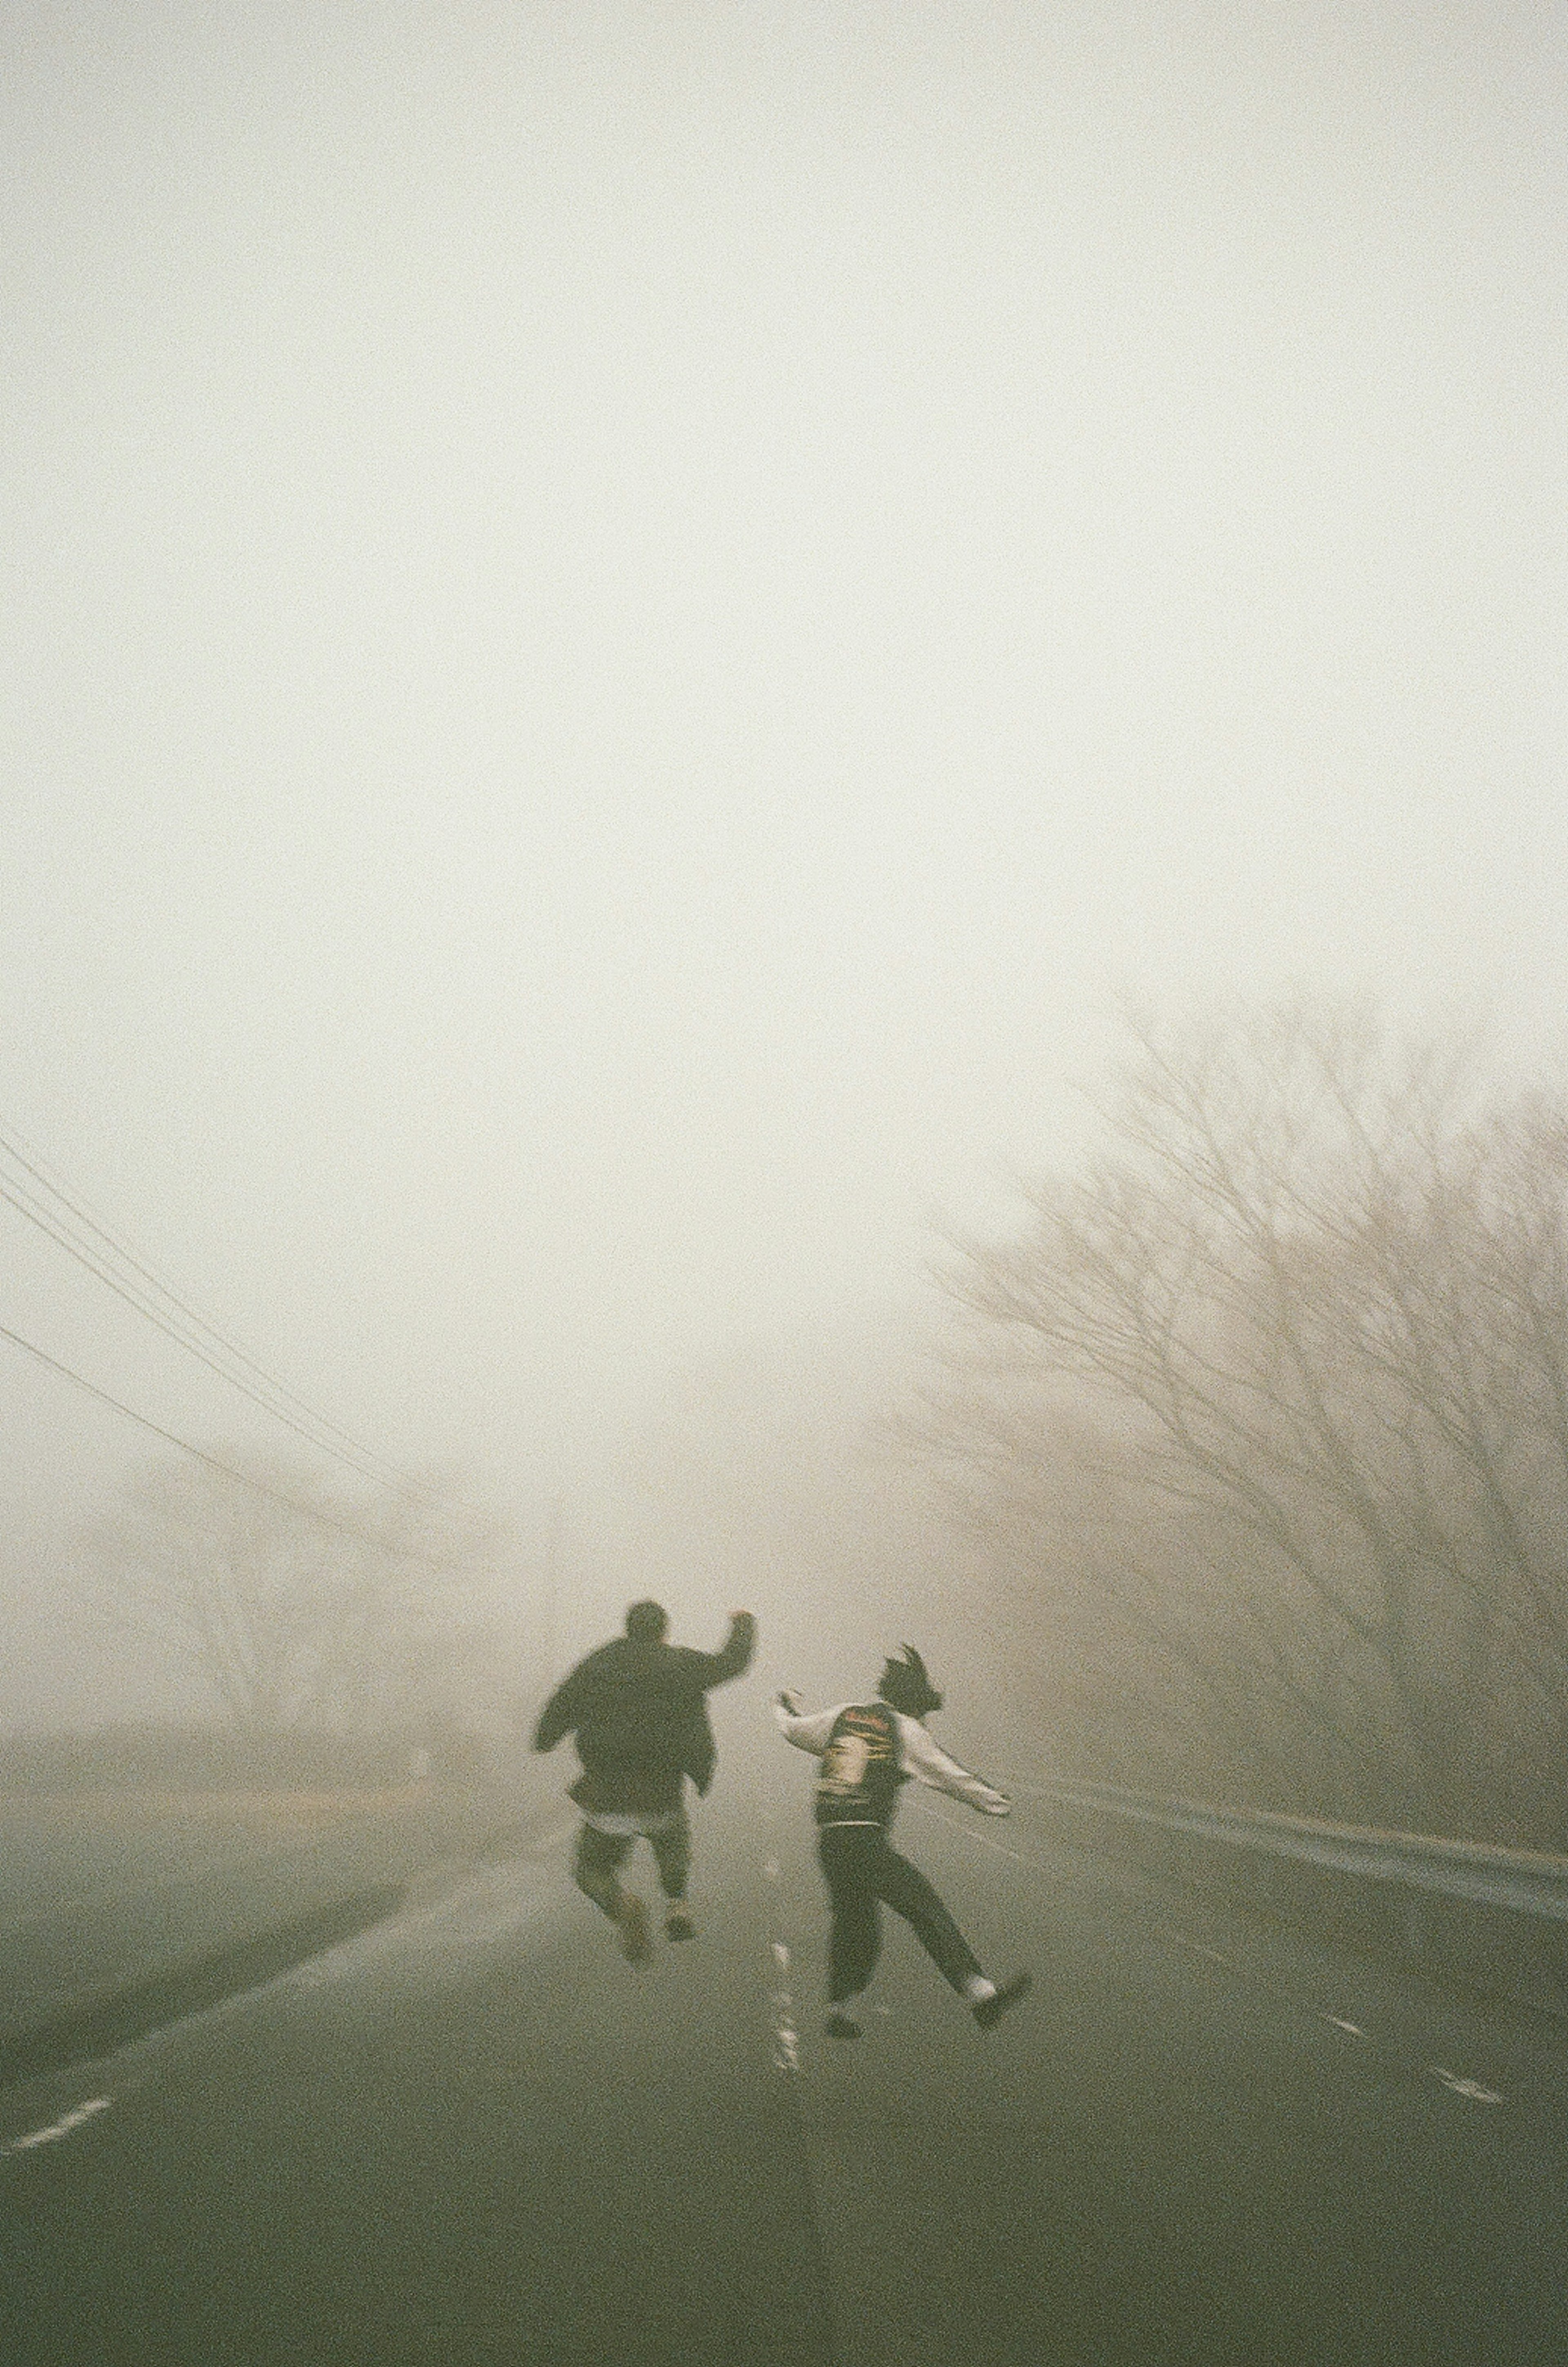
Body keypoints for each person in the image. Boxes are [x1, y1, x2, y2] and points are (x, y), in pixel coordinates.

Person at [775, 1645, 1031, 2037]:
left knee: (855, 1924)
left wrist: (782, 1703)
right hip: (865, 1841)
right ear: (915, 1704)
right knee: (923, 1906)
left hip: (830, 1843)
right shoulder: (906, 1730)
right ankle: (980, 1994)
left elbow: (794, 1731)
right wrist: (996, 1803)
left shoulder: (843, 1716)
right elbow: (950, 1776)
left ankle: (840, 2009)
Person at [533, 1601, 756, 1961]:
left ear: (628, 1628)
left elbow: (561, 1706)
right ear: (664, 1631)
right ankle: (677, 1904)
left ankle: (622, 1906)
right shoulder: (680, 1664)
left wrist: (546, 1738)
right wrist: (743, 1623)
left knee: (590, 1869)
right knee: (671, 1837)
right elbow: (731, 1663)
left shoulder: (598, 1664)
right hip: (661, 1788)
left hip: (607, 1791)